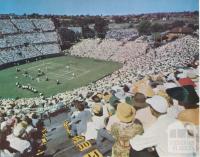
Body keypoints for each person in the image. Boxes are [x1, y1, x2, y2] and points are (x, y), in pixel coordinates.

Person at [130, 95, 195, 157]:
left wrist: (134, 137)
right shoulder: (177, 121)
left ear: (152, 110)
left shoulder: (158, 126)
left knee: (135, 150)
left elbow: (136, 144)